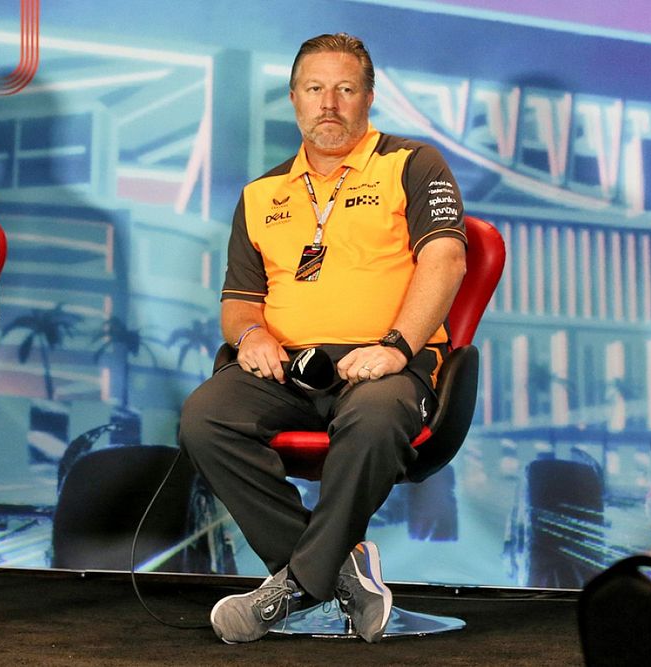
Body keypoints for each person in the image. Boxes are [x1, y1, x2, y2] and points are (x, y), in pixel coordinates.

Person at [178, 33, 467, 644]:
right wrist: (251, 333)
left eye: (345, 89)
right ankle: (339, 575)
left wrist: (395, 345)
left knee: (374, 417)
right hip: (288, 366)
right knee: (206, 416)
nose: (328, 104)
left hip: (386, 361)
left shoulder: (413, 164)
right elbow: (237, 303)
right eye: (315, 89)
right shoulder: (261, 194)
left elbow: (446, 261)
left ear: (368, 97)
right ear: (293, 99)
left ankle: (293, 588)